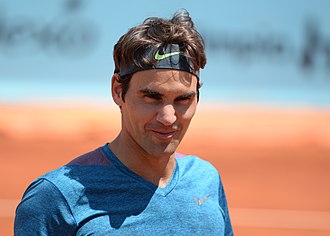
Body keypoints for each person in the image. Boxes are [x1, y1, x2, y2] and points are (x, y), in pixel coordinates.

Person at [14, 9, 233, 235]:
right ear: (118, 91)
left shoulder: (206, 179)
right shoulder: (55, 198)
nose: (168, 118)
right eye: (151, 97)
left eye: (183, 99)